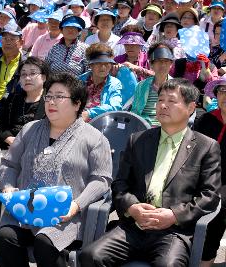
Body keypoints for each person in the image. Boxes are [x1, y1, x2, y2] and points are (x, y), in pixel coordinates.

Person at [80, 78, 222, 266]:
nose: (163, 105)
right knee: (91, 256)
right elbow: (120, 183)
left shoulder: (206, 146)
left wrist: (173, 215)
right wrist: (132, 207)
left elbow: (209, 195)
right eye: (160, 100)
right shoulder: (138, 140)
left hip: (173, 232)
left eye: (171, 101)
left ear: (190, 108)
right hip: (133, 227)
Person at [0, 72, 113, 267]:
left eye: (59, 96)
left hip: (65, 217)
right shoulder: (30, 129)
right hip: (25, 210)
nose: (51, 101)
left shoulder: (95, 138)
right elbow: (9, 165)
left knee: (45, 243)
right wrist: (8, 186)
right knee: (4, 238)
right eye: (49, 96)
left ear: (77, 104)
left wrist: (77, 204)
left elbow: (101, 180)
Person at [194, 76, 226, 267]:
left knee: (219, 207)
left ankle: (206, 260)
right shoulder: (206, 119)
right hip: (202, 174)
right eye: (222, 91)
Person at [0, 56, 48, 149]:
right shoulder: (13, 98)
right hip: (9, 148)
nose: (27, 78)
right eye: (23, 74)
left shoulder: (50, 101)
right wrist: (8, 138)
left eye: (33, 73)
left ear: (44, 77)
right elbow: (1, 124)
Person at [131, 42, 174, 126]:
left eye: (166, 61)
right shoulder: (141, 86)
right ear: (151, 64)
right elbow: (135, 112)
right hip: (144, 127)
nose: (163, 64)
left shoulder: (178, 87)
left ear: (171, 64)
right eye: (158, 61)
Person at [80, 43, 122, 122]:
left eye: (107, 63)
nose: (103, 67)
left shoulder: (114, 83)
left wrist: (89, 113)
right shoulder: (80, 80)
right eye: (98, 63)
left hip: (102, 124)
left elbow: (115, 106)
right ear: (90, 65)